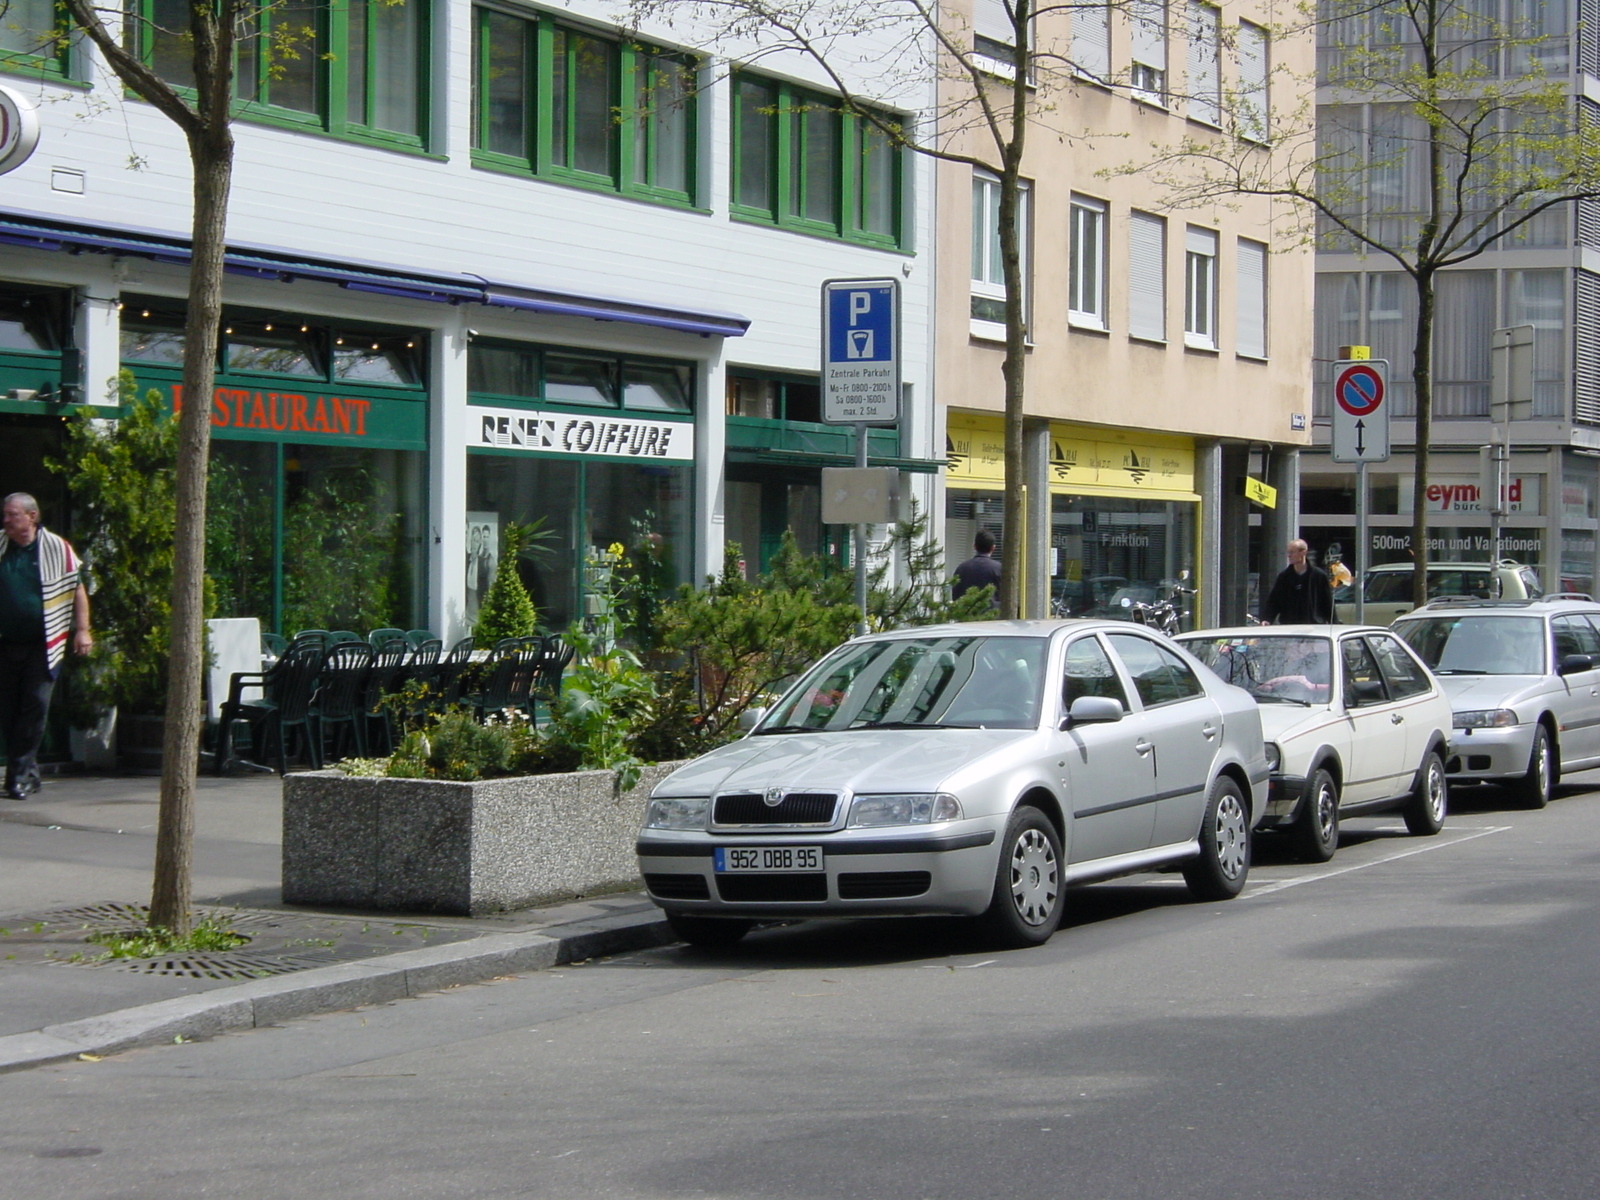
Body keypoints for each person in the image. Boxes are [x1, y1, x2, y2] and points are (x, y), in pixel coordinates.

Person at [0, 493, 91, 800]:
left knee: (36, 706)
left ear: (32, 516)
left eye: (13, 515)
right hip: (6, 643)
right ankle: (29, 770)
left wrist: (82, 630)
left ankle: (17, 777)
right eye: (5, 515)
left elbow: (77, 590)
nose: (6, 520)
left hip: (44, 642)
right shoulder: (1, 546)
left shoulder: (56, 549)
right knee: (10, 711)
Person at [1262, 538, 1335, 625]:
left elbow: (1328, 602)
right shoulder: (1284, 577)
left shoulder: (1319, 576)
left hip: (1313, 626)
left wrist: (1334, 623)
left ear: (1303, 552)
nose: (1289, 555)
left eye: (1292, 552)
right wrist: (1267, 619)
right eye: (1288, 552)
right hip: (1289, 626)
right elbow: (1274, 601)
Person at [952, 530, 1002, 608]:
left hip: (967, 616)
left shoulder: (961, 568)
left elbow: (955, 596)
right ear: (993, 548)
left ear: (974, 546)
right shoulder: (999, 569)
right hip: (992, 617)